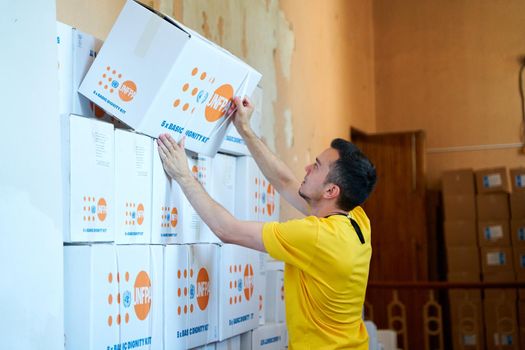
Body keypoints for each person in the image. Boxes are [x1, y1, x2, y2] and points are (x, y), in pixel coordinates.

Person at [157, 96, 377, 350]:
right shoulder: (356, 219)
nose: (307, 167)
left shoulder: (316, 237)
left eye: (316, 166)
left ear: (331, 191)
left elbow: (227, 230)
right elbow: (285, 182)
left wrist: (183, 175)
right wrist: (245, 130)